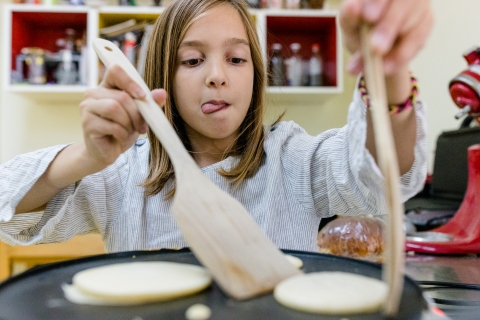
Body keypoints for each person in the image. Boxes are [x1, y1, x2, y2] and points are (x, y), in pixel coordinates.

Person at [0, 0, 433, 253]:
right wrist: (86, 157)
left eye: (236, 58)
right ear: (161, 78)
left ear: (255, 75)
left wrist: (390, 71)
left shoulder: (293, 160)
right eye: (192, 60)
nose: (217, 76)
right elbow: (9, 209)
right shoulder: (122, 176)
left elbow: (380, 171)